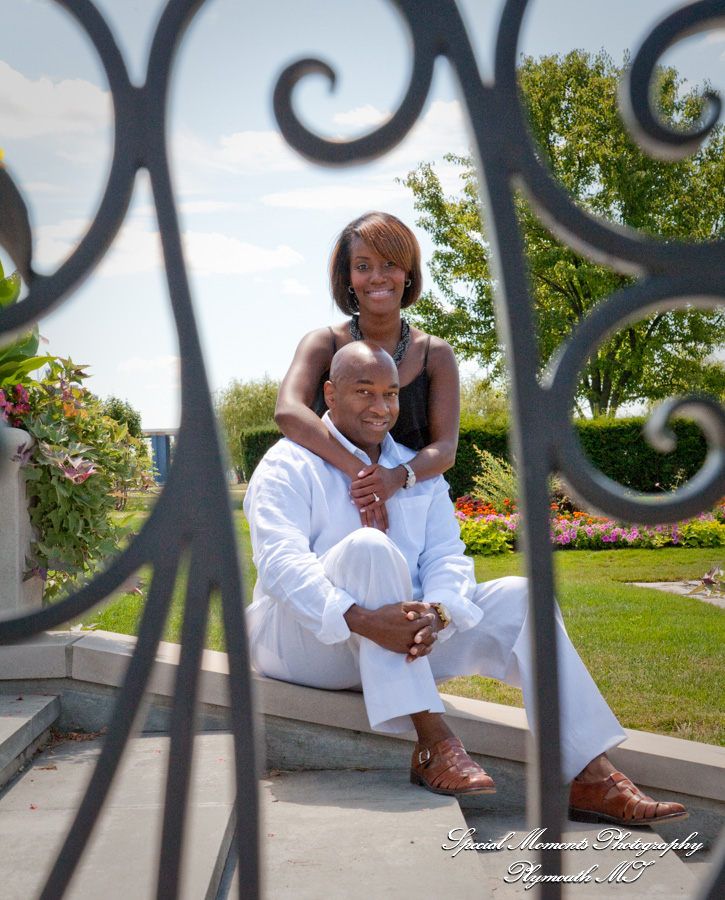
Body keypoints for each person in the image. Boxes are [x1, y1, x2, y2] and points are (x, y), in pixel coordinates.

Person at [245, 341, 688, 825]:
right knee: (368, 548)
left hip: (406, 640)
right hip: (303, 646)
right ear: (328, 394)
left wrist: (437, 613)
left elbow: (447, 557)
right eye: (363, 391)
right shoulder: (288, 464)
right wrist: (364, 620)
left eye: (391, 394)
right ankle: (433, 741)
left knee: (522, 598)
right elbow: (280, 563)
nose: (381, 407)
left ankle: (587, 773)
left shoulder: (417, 474)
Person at [274, 211, 460, 532]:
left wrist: (395, 478)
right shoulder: (322, 344)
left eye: (390, 263)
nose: (377, 277)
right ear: (347, 278)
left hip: (410, 513)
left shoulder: (436, 354)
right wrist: (360, 472)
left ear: (409, 273)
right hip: (330, 509)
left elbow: (445, 449)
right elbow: (288, 410)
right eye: (363, 266)